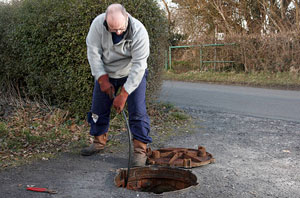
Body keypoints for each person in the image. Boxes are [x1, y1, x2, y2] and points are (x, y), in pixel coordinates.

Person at [81, 3, 152, 167]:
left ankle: (140, 151)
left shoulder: (139, 31)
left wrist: (124, 94)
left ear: (127, 18)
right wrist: (101, 78)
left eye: (121, 29)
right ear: (106, 21)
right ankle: (98, 143)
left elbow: (139, 65)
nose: (118, 33)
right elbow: (93, 53)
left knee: (138, 111)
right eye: (113, 30)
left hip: (132, 72)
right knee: (98, 109)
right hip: (107, 71)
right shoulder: (98, 25)